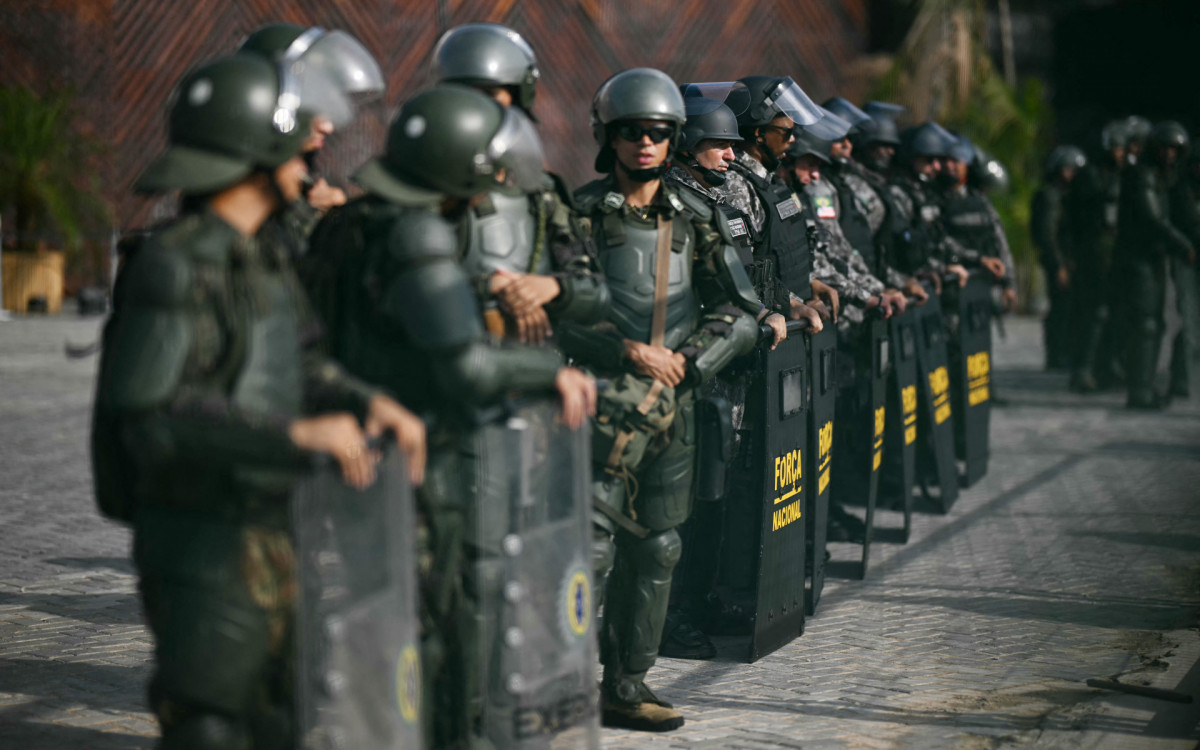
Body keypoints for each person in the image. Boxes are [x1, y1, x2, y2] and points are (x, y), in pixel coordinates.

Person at [91, 52, 425, 750]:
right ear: (256, 155)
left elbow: (302, 360)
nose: (311, 166)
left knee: (285, 718)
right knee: (212, 722)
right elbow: (148, 417)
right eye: (298, 150)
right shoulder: (175, 263)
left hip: (275, 525)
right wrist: (296, 437)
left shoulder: (263, 255)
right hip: (203, 537)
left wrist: (369, 402)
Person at [302, 84, 597, 748]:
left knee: (381, 619)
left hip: (361, 460)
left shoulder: (352, 221)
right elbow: (465, 369)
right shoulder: (416, 232)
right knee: (439, 631)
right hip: (419, 465)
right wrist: (550, 372)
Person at [564, 67, 759, 731]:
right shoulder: (578, 216)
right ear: (608, 137)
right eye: (630, 131)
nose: (643, 143)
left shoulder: (699, 218)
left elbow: (740, 311)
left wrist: (689, 361)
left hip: (675, 406)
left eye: (656, 131)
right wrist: (624, 354)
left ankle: (626, 684)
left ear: (673, 137)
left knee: (659, 548)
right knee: (590, 548)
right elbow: (554, 314)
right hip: (600, 404)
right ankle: (563, 684)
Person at [659, 96, 787, 659]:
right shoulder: (673, 201)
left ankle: (698, 599)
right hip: (689, 365)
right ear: (689, 146)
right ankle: (667, 615)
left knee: (715, 492)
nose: (731, 155)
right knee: (683, 497)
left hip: (723, 365)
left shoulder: (712, 198)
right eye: (719, 145)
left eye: (734, 145)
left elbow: (736, 274)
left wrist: (765, 311)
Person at [432, 22, 608, 343]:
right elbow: (398, 284)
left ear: (517, 97)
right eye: (466, 93)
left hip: (533, 360)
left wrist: (551, 287)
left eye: (490, 94)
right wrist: (490, 288)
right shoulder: (425, 185)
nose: (477, 106)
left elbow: (595, 294)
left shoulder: (540, 192)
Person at [695, 76, 838, 327]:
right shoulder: (735, 185)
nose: (792, 140)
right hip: (768, 329)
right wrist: (793, 304)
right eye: (787, 132)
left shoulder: (771, 179)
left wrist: (810, 283)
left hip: (792, 326)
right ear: (759, 133)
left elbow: (788, 249)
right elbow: (745, 272)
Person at [238, 23, 386, 253]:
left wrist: (334, 218)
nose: (327, 126)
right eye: (311, 107)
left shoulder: (307, 181)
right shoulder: (231, 187)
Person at [1114, 122, 1195, 409]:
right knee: (1145, 325)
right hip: (1139, 260)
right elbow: (1151, 219)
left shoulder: (1160, 178)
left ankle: (1144, 388)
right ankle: (1139, 391)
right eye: (1165, 148)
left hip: (1151, 259)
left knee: (1153, 324)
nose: (1170, 154)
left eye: (1175, 150)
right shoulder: (1143, 176)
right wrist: (1183, 246)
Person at [1066, 121, 1127, 391]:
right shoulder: (1092, 176)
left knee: (1113, 313)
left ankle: (1106, 366)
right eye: (1119, 148)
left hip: (1112, 255)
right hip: (1093, 255)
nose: (1123, 154)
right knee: (1095, 313)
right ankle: (1084, 369)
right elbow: (1085, 218)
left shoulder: (1118, 175)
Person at [886, 122, 972, 290]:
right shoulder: (898, 194)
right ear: (912, 159)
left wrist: (978, 259)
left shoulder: (927, 193)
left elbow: (938, 239)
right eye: (929, 160)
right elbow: (902, 247)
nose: (937, 167)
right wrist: (936, 269)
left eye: (938, 160)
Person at [1032, 146, 1086, 371]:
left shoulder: (1068, 196)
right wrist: (1058, 265)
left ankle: (1065, 353)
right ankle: (1057, 355)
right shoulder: (1050, 196)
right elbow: (1047, 234)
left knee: (1069, 308)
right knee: (1060, 308)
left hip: (1068, 260)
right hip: (1059, 261)